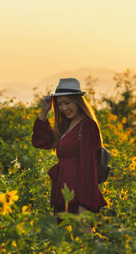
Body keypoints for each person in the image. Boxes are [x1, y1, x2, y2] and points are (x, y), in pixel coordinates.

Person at [32, 78, 107, 217]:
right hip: (63, 189)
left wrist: (85, 204)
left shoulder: (87, 126)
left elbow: (88, 167)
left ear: (77, 102)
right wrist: (44, 112)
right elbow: (42, 142)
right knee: (62, 236)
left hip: (78, 193)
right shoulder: (67, 125)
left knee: (82, 235)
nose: (64, 108)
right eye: (60, 104)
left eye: (68, 102)